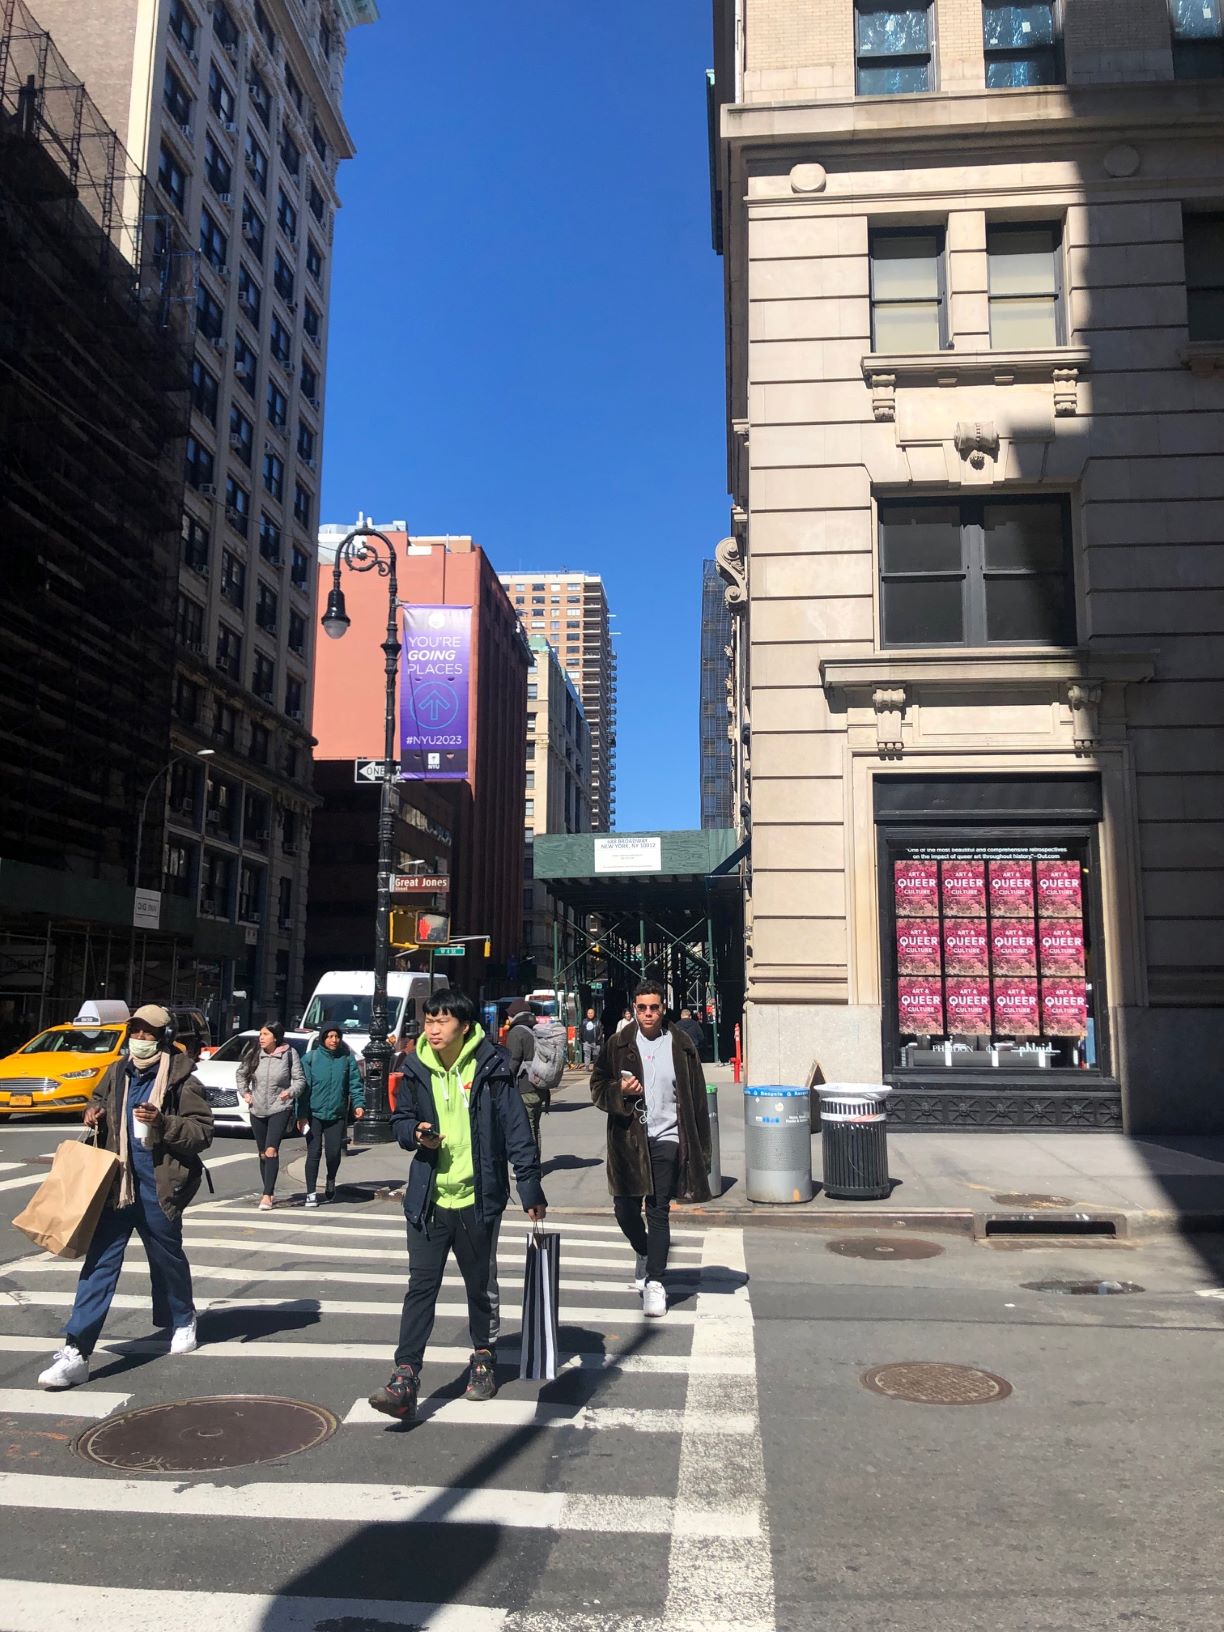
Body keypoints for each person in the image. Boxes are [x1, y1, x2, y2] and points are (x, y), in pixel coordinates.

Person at [366, 987, 546, 1423]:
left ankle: (483, 1357)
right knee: (420, 1288)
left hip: (476, 1196)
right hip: (428, 1197)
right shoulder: (415, 1067)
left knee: (479, 1285)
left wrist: (529, 1187)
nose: (433, 1027)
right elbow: (400, 1119)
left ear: (464, 1026)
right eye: (429, 1020)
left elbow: (516, 1128)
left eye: (442, 1020)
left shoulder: (491, 1066)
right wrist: (416, 1133)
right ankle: (405, 1376)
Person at [37, 1004, 213, 1390]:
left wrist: (162, 1122)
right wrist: (92, 1111)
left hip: (158, 1183)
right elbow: (97, 1099)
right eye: (135, 1030)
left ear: (163, 1038)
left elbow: (202, 1133)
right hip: (115, 1184)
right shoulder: (118, 1071)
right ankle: (77, 1352)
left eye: (149, 1033)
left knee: (166, 1258)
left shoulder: (182, 1078)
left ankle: (183, 1318)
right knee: (99, 1265)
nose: (140, 1039)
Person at [590, 978, 710, 1319]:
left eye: (654, 1007)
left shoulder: (682, 1044)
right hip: (628, 1139)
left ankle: (656, 1282)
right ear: (634, 1008)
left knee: (658, 1210)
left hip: (668, 1136)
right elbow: (597, 1086)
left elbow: (697, 1100)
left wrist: (702, 1151)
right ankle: (643, 1251)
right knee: (624, 1211)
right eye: (642, 1007)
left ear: (663, 1008)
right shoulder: (617, 1043)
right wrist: (621, 1092)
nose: (648, 1014)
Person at [237, 1020, 304, 1210]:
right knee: (262, 1153)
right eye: (260, 1034)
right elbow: (241, 1074)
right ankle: (268, 1188)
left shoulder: (289, 1054)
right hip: (257, 1109)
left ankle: (267, 1194)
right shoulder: (255, 1054)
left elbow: (300, 1080)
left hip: (279, 1108)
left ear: (275, 1037)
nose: (261, 1037)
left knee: (271, 1150)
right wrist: (246, 1093)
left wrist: (290, 1092)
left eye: (265, 1034)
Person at [300, 1025, 364, 1206]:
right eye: (329, 1036)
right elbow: (302, 1090)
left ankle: (330, 1179)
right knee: (313, 1152)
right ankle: (311, 1193)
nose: (333, 1040)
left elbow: (355, 1084)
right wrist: (301, 1115)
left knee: (333, 1153)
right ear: (322, 1039)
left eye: (336, 1036)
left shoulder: (346, 1059)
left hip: (336, 1114)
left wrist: (359, 1104)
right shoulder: (311, 1058)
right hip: (314, 1114)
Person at [504, 1000, 544, 1149]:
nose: (507, 1018)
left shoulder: (517, 1032)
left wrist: (506, 1083)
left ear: (514, 1015)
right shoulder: (536, 1029)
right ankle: (535, 1165)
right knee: (535, 1127)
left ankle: (531, 1168)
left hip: (524, 1087)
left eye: (508, 1015)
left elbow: (513, 1061)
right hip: (539, 1085)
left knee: (526, 1129)